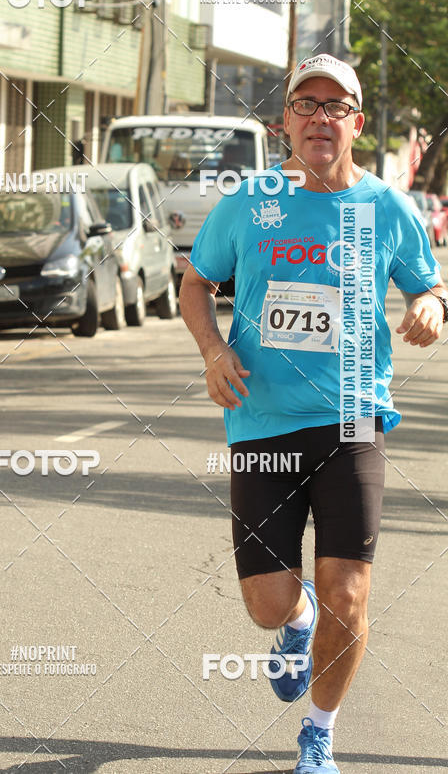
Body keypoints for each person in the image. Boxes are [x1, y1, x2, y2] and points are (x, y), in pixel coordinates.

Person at [179, 53, 448, 773]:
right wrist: (212, 353)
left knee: (347, 589)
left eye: (337, 106)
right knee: (268, 603)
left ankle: (320, 735)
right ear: (286, 122)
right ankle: (294, 627)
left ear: (357, 123)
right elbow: (196, 282)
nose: (321, 118)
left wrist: (428, 304)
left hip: (355, 419)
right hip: (262, 422)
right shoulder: (250, 199)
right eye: (308, 104)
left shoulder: (388, 207)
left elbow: (430, 285)